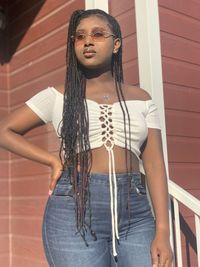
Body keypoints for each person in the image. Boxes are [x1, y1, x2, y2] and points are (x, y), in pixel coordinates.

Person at [0, 9, 173, 267]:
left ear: (116, 44)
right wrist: (51, 160)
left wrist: (162, 230)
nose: (88, 41)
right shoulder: (58, 96)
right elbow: (5, 130)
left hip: (135, 214)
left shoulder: (142, 99)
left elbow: (155, 165)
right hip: (74, 211)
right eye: (79, 37)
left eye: (98, 34)